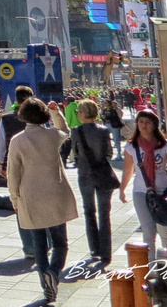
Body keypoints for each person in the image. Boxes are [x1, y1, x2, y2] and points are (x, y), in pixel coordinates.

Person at [8, 98, 77, 303]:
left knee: (39, 244)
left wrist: (14, 198)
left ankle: (46, 284)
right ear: (44, 115)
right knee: (60, 242)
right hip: (55, 192)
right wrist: (56, 113)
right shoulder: (52, 135)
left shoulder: (17, 140)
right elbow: (66, 130)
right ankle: (54, 272)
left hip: (30, 195)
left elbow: (13, 173)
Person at [119, 108, 167, 260]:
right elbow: (127, 170)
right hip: (141, 192)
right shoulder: (131, 147)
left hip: (164, 192)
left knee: (165, 231)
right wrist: (122, 189)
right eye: (140, 122)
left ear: (155, 125)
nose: (144, 125)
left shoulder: (164, 145)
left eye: (148, 122)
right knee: (148, 231)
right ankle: (151, 269)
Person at [69, 98, 119, 267]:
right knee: (105, 214)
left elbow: (75, 154)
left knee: (89, 211)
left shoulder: (76, 131)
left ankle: (94, 249)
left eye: (79, 112)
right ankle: (106, 252)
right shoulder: (104, 131)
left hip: (85, 174)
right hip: (103, 174)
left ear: (83, 113)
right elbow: (109, 153)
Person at [0, 84, 38, 259]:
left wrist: (1, 165)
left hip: (15, 167)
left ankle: (29, 247)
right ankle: (44, 242)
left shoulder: (7, 119)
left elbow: (1, 145)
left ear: (16, 99)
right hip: (36, 166)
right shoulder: (39, 116)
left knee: (20, 206)